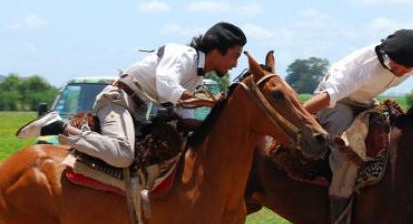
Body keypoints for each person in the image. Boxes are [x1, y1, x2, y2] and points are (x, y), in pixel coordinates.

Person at [303, 29, 413, 224]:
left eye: (408, 69)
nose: (404, 73)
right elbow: (327, 98)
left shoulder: (409, 59)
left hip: (366, 102)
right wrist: (297, 115)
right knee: (347, 156)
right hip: (336, 103)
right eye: (401, 68)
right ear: (387, 57)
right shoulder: (358, 70)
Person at [16, 22, 247, 168]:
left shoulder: (196, 78)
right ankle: (60, 126)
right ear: (217, 50)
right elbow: (168, 88)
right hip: (117, 100)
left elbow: (185, 115)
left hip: (135, 108)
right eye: (235, 56)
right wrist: (208, 101)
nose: (235, 64)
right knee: (124, 156)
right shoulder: (183, 54)